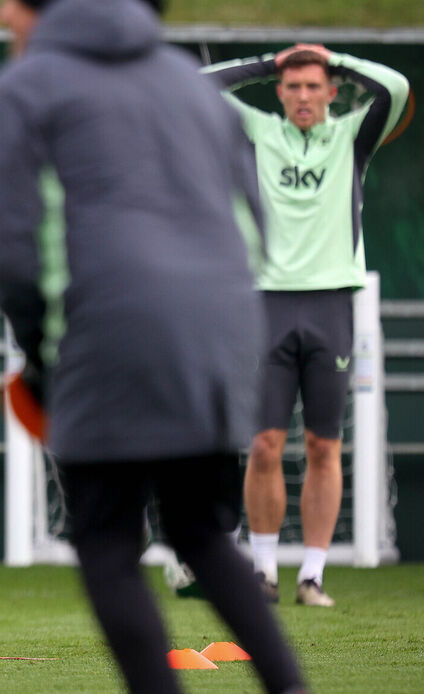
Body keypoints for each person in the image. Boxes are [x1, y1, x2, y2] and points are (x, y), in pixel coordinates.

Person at [0, 1, 306, 693]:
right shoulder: (189, 80)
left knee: (107, 539)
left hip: (104, 328)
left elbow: (7, 242)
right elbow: (256, 220)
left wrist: (37, 353)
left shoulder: (24, 85)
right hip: (217, 332)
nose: (3, 12)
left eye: (15, 2)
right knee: (203, 534)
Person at [202, 43, 409, 608]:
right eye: (292, 86)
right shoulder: (258, 133)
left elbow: (395, 87)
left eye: (314, 85)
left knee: (323, 444)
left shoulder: (350, 138)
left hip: (332, 305)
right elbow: (197, 86)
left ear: (332, 91)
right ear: (279, 91)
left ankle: (312, 576)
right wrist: (270, 61)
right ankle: (264, 571)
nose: (303, 96)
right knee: (264, 443)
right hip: (265, 303)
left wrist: (334, 58)